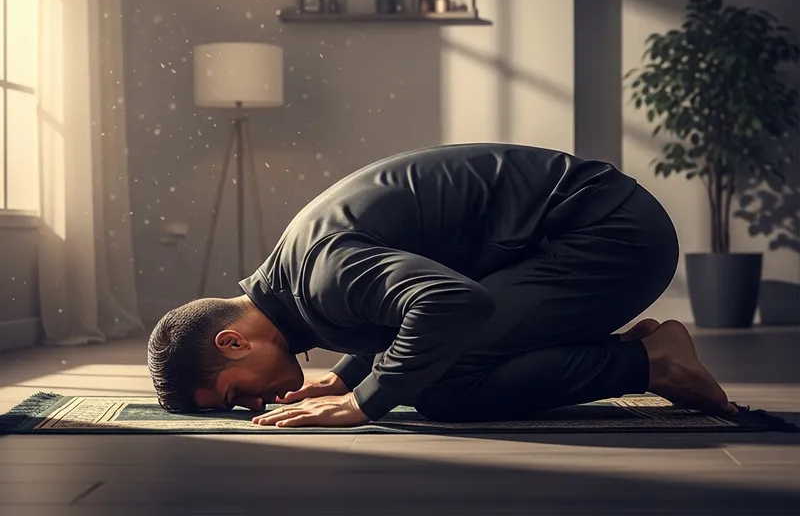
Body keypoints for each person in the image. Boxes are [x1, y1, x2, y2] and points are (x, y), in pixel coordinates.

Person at [147, 142, 737, 428]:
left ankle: (650, 363)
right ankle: (637, 355)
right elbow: (394, 303)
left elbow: (449, 301)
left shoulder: (321, 274)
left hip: (611, 236)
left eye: (235, 397)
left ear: (232, 343)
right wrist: (349, 372)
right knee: (419, 365)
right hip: (594, 228)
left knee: (438, 385)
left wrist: (364, 400)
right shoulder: (299, 276)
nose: (254, 408)